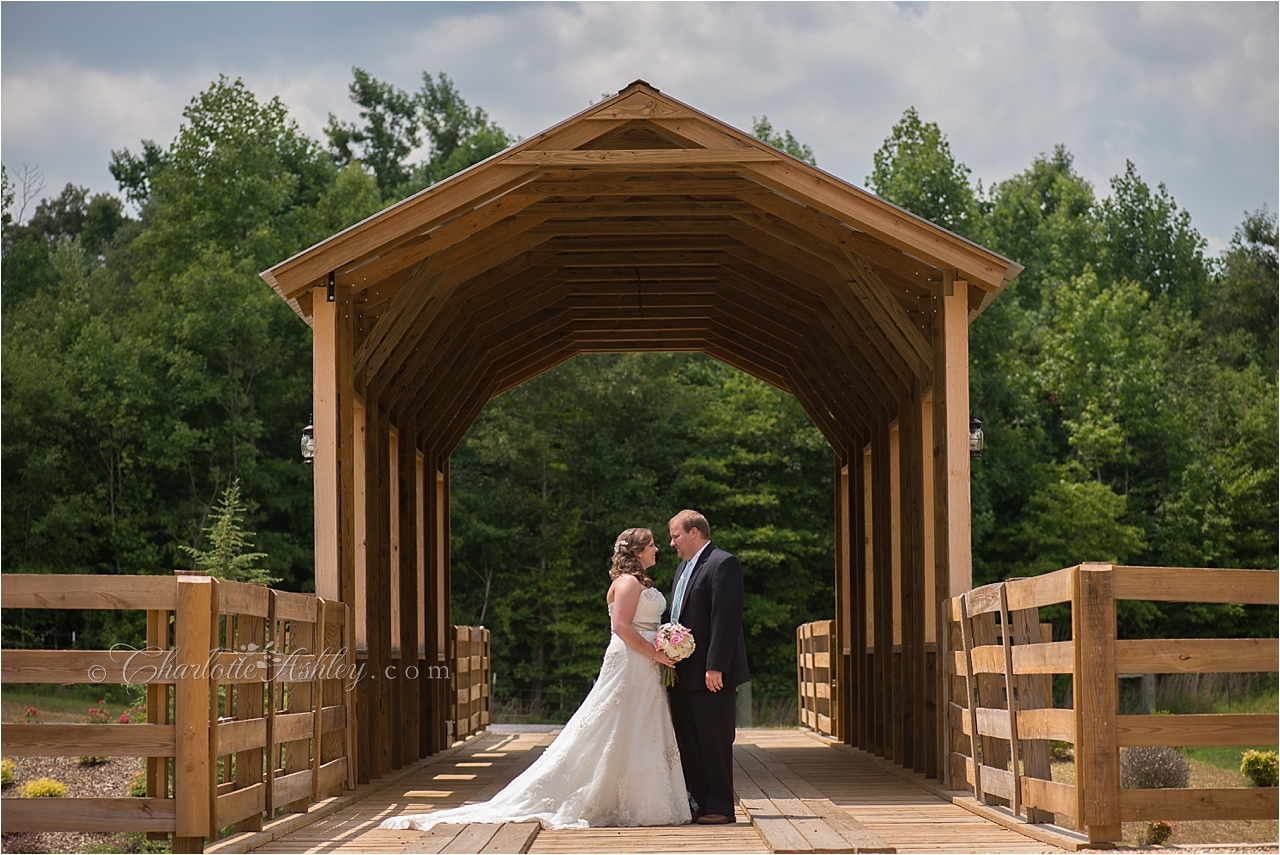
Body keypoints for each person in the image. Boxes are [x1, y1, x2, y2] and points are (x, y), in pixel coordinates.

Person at [381, 527, 691, 831]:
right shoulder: (626, 583)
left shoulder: (637, 582)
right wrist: (656, 653)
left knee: (639, 724)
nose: (657, 550)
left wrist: (664, 646)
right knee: (615, 721)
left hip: (646, 661)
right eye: (651, 545)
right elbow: (622, 627)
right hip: (633, 659)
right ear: (637, 552)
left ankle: (639, 799)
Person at [666, 509, 748, 825]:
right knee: (689, 739)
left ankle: (721, 806)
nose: (671, 543)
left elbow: (725, 620)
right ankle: (699, 801)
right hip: (683, 673)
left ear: (695, 532)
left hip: (711, 674)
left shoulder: (722, 564)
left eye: (675, 535)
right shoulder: (682, 569)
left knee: (714, 739)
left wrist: (715, 666)